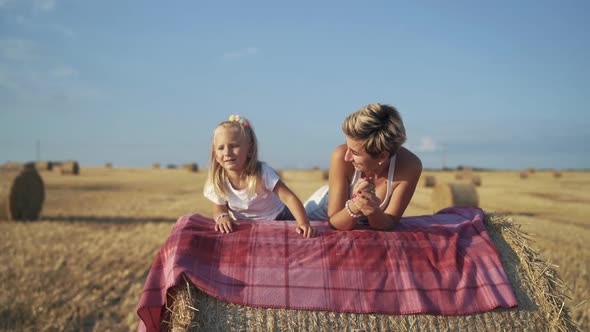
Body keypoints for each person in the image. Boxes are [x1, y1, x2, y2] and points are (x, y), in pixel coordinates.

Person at [304, 103, 422, 231]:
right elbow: (335, 223)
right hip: (318, 211)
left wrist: (372, 210)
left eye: (354, 152)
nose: (347, 157)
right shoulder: (340, 156)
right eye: (347, 146)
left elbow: (389, 223)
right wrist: (356, 205)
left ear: (382, 156)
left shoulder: (410, 166)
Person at [203, 114, 316, 238]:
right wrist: (222, 217)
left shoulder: (262, 172)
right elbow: (219, 209)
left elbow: (289, 198)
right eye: (220, 148)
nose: (227, 152)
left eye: (234, 146)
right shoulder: (218, 180)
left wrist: (304, 223)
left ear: (250, 149)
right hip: (245, 224)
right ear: (214, 153)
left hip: (280, 217)